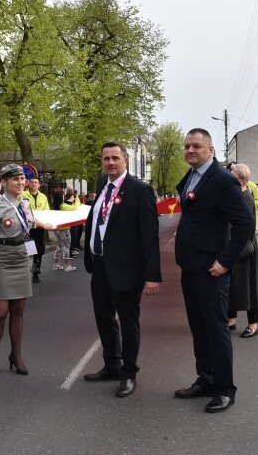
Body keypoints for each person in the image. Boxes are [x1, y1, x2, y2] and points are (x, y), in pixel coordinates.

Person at [173, 128, 253, 414]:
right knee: (199, 328)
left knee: (216, 330)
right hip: (191, 268)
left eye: (196, 146)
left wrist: (226, 261)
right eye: (187, 147)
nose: (190, 150)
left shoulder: (222, 180)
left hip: (212, 271)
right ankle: (205, 379)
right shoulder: (192, 177)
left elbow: (245, 224)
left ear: (211, 150)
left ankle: (224, 389)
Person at [83, 142, 161, 398]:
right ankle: (111, 365)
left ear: (126, 160)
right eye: (106, 158)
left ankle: (129, 373)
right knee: (103, 318)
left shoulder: (140, 190)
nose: (111, 163)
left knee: (128, 322)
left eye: (115, 158)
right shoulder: (102, 187)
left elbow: (149, 235)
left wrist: (152, 275)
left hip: (128, 269)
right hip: (101, 266)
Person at [0, 164, 52, 380]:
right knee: (0, 313)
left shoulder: (24, 203)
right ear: (4, 182)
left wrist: (46, 224)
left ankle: (16, 355)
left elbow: (29, 221)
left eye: (23, 179)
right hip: (2, 259)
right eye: (16, 180)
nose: (21, 183)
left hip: (21, 258)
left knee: (19, 312)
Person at [226, 163, 258, 339]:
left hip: (244, 248)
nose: (228, 174)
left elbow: (245, 226)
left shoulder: (245, 198)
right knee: (233, 285)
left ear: (239, 178)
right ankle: (231, 319)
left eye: (231, 172)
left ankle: (253, 324)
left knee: (249, 287)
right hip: (234, 246)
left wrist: (235, 247)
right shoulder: (236, 196)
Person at [22, 177, 49, 283]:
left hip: (39, 228)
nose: (34, 184)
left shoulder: (43, 197)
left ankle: (36, 271)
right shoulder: (23, 195)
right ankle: (27, 271)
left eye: (36, 182)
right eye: (32, 182)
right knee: (29, 250)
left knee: (40, 249)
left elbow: (46, 211)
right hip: (28, 229)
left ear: (39, 185)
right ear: (29, 184)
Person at [50, 189, 78, 272]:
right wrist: (76, 199)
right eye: (63, 194)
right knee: (66, 246)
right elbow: (75, 207)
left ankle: (55, 265)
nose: (64, 196)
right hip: (64, 229)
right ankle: (67, 265)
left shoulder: (55, 205)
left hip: (57, 229)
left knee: (59, 246)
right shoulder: (63, 206)